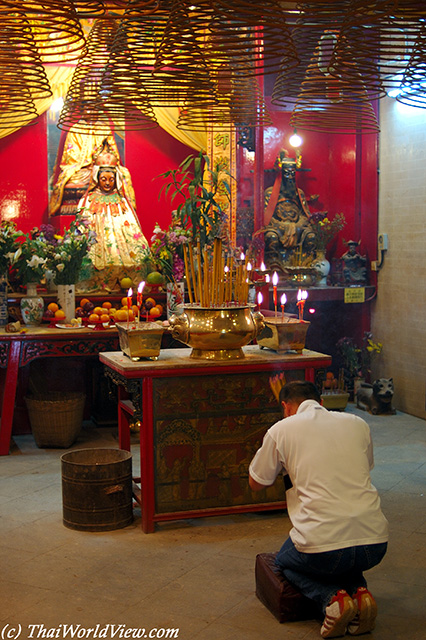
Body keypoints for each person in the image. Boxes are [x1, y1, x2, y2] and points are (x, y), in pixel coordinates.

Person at [249, 381, 388, 638]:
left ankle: (332, 602)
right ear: (321, 403)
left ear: (286, 408)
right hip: (375, 545)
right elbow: (366, 466)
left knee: (285, 561)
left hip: (324, 547)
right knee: (346, 550)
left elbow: (256, 482)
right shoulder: (357, 423)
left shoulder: (281, 429)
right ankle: (361, 594)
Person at [77, 139, 148, 291]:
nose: (107, 183)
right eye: (104, 179)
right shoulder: (87, 201)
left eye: (111, 179)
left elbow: (131, 229)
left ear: (116, 180)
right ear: (97, 179)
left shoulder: (122, 201)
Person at [263, 150, 316, 271]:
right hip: (277, 227)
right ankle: (274, 265)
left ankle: (307, 265)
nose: (290, 177)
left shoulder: (299, 193)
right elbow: (267, 217)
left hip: (297, 227)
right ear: (281, 174)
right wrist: (283, 226)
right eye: (287, 173)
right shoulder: (270, 193)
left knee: (311, 236)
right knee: (271, 236)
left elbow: (305, 215)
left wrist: (296, 226)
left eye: (293, 174)